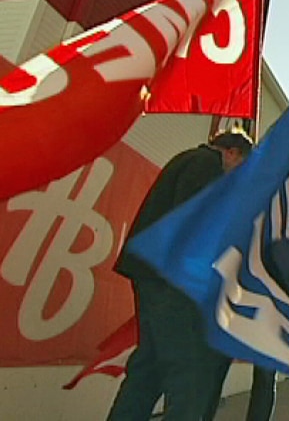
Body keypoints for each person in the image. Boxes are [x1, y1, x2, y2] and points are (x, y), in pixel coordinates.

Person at [108, 129, 253, 421]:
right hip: (172, 282)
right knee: (190, 375)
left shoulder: (187, 160)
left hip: (153, 276)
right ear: (232, 153)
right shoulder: (207, 163)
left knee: (149, 370)